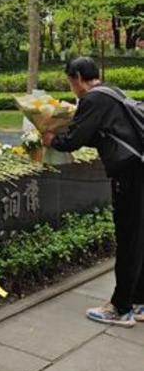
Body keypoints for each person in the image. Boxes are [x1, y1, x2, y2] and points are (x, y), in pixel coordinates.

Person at [43, 56, 144, 327]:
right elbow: (100, 134)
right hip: (139, 167)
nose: (72, 87)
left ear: (77, 77)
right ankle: (139, 301)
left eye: (70, 81)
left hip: (129, 173)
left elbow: (74, 140)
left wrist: (53, 139)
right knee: (139, 236)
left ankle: (120, 309)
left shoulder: (93, 99)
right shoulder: (112, 92)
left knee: (128, 238)